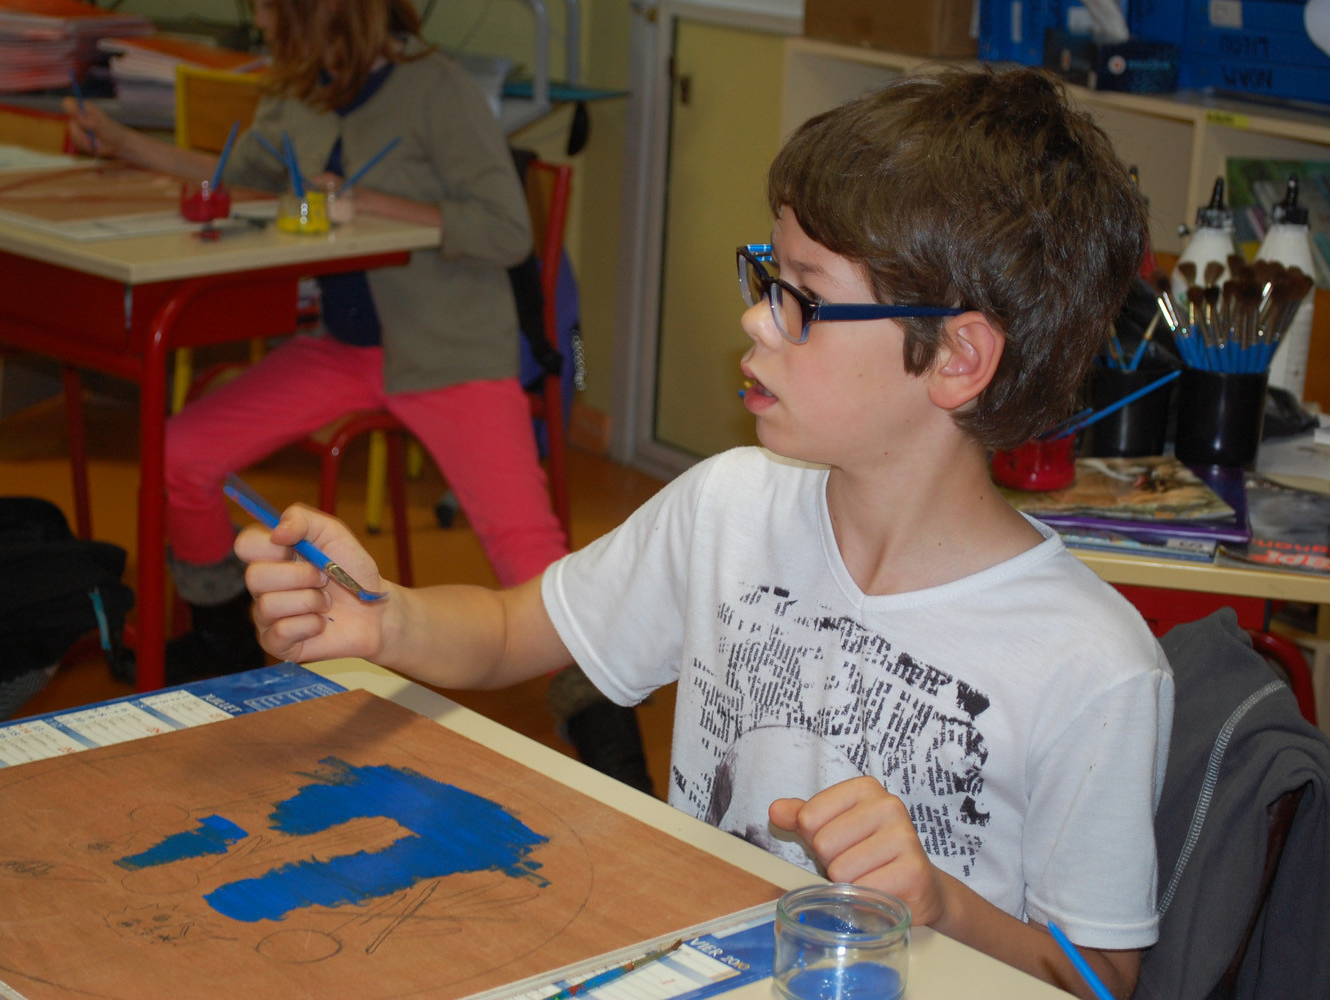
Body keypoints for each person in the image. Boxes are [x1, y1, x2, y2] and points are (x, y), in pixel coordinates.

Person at [235, 65, 1175, 998]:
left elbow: (1099, 979)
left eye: (800, 298)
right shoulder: (731, 506)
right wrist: (383, 619)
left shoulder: (1091, 664)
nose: (755, 319)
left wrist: (940, 904)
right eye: (766, 275)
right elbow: (518, 629)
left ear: (958, 358)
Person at [64, 0, 652, 791]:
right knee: (184, 451)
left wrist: (380, 205)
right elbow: (241, 180)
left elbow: (506, 229)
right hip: (347, 350)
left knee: (533, 562)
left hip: (450, 353)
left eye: (273, 12)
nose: (263, 27)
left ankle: (624, 777)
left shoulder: (434, 87)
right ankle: (231, 662)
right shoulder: (303, 88)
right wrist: (128, 146)